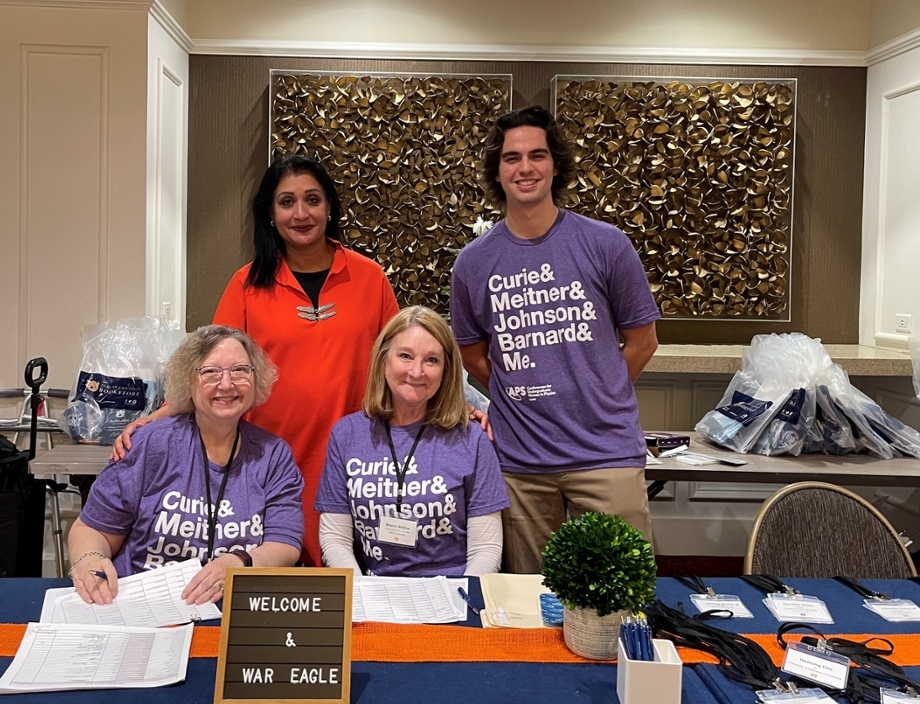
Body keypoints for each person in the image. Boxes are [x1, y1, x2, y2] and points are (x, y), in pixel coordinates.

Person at [113, 155, 399, 566]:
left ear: (330, 207)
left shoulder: (369, 277)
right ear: (269, 212)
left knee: (343, 585)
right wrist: (155, 418)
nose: (300, 213)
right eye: (286, 202)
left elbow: (401, 363)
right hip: (263, 462)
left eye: (312, 200)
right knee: (271, 579)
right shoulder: (246, 284)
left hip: (351, 459)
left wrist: (459, 406)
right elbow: (211, 369)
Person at [450, 105, 660, 574]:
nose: (525, 167)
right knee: (531, 604)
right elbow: (473, 355)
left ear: (556, 164)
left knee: (621, 593)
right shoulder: (473, 263)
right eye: (512, 158)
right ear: (497, 171)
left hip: (605, 453)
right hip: (520, 460)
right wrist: (520, 391)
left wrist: (599, 386)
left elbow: (643, 341)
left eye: (537, 155)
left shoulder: (606, 244)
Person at [68, 325, 304, 605]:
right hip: (142, 603)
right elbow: (92, 529)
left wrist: (240, 562)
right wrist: (88, 560)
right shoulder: (151, 444)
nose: (226, 384)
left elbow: (285, 543)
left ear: (256, 379)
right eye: (210, 372)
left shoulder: (273, 455)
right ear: (188, 382)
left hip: (231, 604)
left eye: (240, 370)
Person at [314, 306, 509, 576]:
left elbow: (485, 549)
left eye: (431, 360)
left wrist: (464, 601)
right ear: (384, 360)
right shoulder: (347, 435)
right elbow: (335, 540)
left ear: (446, 370)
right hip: (373, 593)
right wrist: (362, 595)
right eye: (405, 356)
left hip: (452, 593)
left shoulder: (471, 438)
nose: (416, 372)